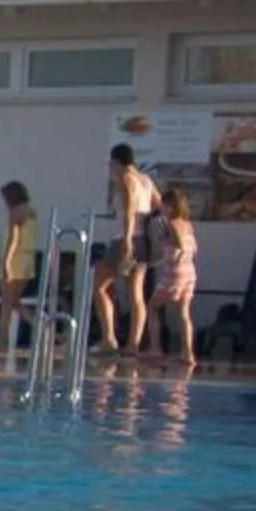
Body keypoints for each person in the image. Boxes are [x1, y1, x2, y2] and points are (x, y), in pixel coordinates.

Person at [96, 142, 160, 353]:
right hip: (143, 240)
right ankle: (133, 344)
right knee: (136, 294)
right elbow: (158, 205)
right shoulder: (146, 180)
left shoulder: (125, 179)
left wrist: (126, 241)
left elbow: (129, 210)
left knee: (98, 287)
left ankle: (109, 339)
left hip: (126, 238)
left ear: (116, 161)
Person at [142, 187, 199, 367]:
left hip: (174, 273)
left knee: (152, 307)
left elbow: (179, 246)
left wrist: (170, 255)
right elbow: (194, 248)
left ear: (170, 205)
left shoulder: (172, 223)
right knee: (184, 313)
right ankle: (187, 353)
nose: (162, 208)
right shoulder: (187, 223)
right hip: (189, 273)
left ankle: (155, 348)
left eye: (165, 204)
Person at [0, 180, 39, 343]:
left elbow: (13, 239)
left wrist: (6, 263)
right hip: (27, 260)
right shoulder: (32, 212)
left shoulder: (15, 213)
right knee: (15, 302)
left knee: (7, 303)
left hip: (15, 260)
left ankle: (2, 339)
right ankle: (43, 329)